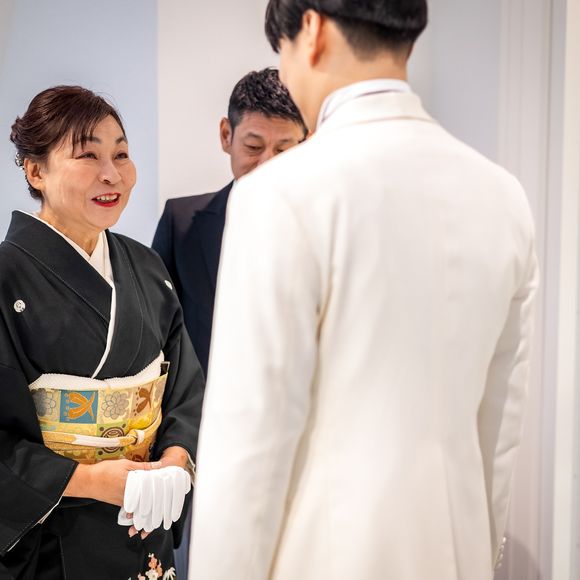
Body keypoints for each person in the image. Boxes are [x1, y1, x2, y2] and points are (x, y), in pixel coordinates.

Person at [189, 2, 539, 580]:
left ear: (311, 31)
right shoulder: (503, 197)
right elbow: (498, 435)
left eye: (283, 52)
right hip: (453, 555)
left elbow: (248, 446)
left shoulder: (277, 195)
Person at [0, 85, 204, 580]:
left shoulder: (146, 265)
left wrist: (175, 460)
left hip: (146, 518)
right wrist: (91, 480)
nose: (112, 174)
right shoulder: (6, 278)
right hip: (54, 540)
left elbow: (185, 391)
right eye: (87, 155)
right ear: (36, 171)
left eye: (121, 154)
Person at [152, 67, 307, 378]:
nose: (268, 164)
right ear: (226, 135)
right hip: (204, 406)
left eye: (283, 149)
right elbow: (155, 332)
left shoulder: (331, 228)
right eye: (254, 147)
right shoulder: (180, 223)